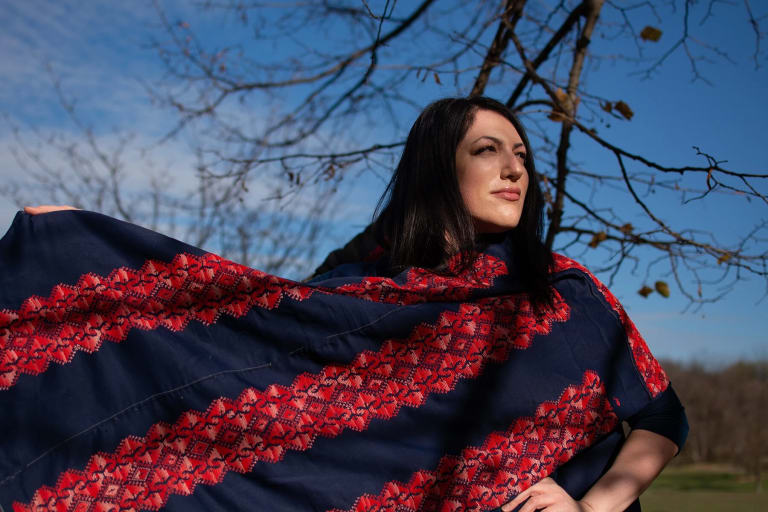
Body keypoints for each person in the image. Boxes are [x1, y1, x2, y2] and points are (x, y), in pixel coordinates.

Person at [18, 96, 686, 512]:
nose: (516, 168)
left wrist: (591, 505)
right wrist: (76, 246)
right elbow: (245, 324)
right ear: (437, 168)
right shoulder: (370, 293)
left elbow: (660, 417)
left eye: (521, 154)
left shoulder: (563, 297)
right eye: (488, 151)